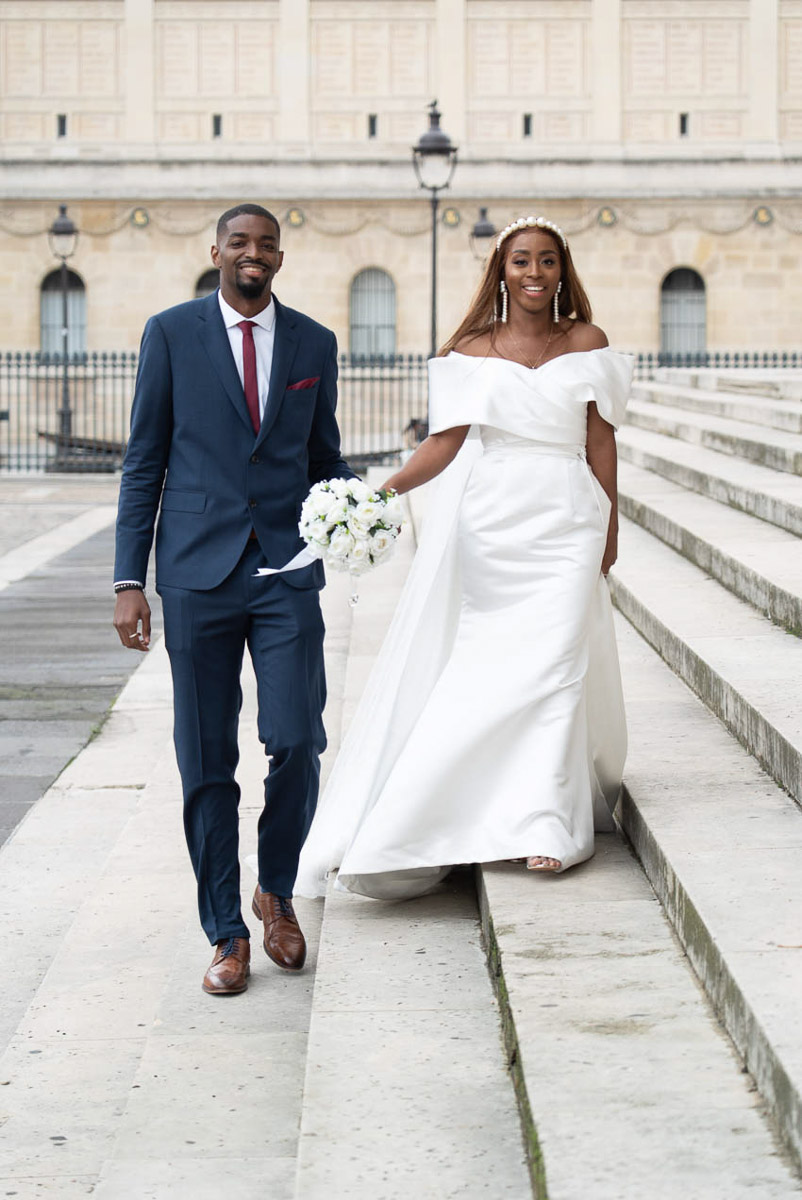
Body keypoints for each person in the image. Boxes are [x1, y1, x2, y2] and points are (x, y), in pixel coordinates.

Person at [295, 215, 633, 901]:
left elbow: (601, 445)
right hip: (495, 521)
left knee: (558, 666)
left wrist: (610, 527)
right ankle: (452, 808)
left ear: (562, 270)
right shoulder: (471, 349)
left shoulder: (588, 342)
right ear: (501, 272)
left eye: (546, 261)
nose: (534, 274)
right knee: (493, 667)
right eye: (520, 262)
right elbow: (443, 447)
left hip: (568, 515)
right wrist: (373, 495)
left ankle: (547, 825)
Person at [112, 203, 355, 993]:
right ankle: (225, 932)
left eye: (267, 243)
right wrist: (128, 580)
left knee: (296, 739)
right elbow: (143, 461)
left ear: (280, 257)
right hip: (193, 575)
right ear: (216, 251)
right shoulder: (170, 333)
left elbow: (325, 457)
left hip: (286, 570)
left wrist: (360, 512)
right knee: (207, 756)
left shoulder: (315, 342)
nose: (254, 253)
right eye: (240, 242)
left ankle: (274, 893)